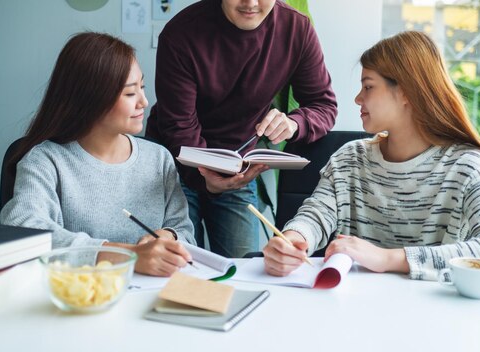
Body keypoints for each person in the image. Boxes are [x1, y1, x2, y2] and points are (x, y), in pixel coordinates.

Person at [262, 31, 480, 281]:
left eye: (368, 87)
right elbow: (316, 215)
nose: (357, 98)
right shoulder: (349, 159)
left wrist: (387, 259)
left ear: (406, 92)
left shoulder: (470, 166)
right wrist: (294, 238)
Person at [145, 0, 338, 258]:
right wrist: (208, 180)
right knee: (179, 267)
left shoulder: (295, 29)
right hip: (174, 165)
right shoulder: (181, 32)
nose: (250, 3)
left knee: (242, 269)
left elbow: (323, 104)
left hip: (236, 166)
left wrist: (294, 123)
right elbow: (179, 126)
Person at [0, 32, 196, 277]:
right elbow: (23, 229)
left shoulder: (159, 158)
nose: (144, 102)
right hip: (78, 298)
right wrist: (128, 256)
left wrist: (169, 237)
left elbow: (184, 231)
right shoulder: (45, 160)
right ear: (92, 97)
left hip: (151, 298)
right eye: (130, 93)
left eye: (142, 87)